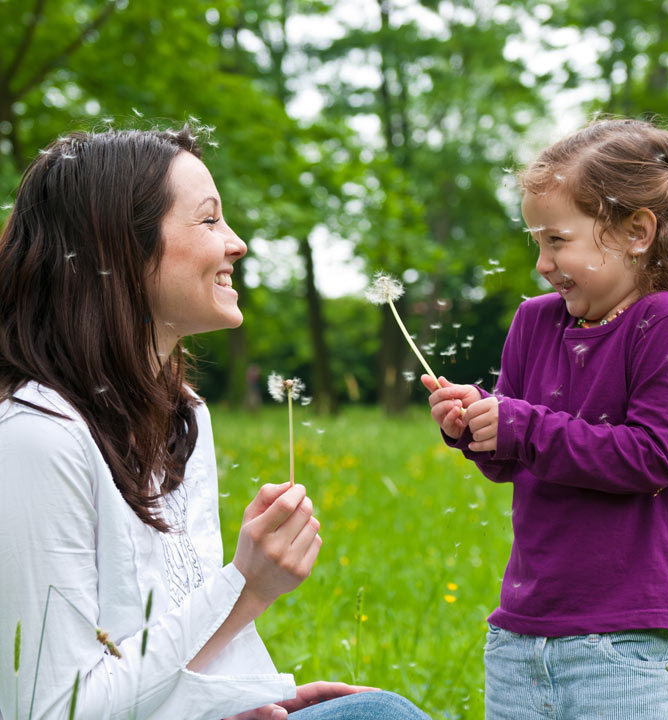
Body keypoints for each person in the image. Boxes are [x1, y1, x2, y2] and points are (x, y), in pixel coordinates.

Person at [0, 127, 429, 720]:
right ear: (119, 247)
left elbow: (167, 635)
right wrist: (246, 588)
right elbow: (53, 711)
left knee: (378, 711)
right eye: (208, 221)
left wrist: (250, 694)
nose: (237, 244)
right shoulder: (36, 437)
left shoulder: (182, 417)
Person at [422, 118, 668, 719]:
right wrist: (476, 425)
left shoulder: (667, 324)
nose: (542, 263)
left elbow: (651, 458)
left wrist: (518, 425)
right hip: (521, 633)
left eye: (557, 241)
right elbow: (514, 460)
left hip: (624, 637)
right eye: (537, 242)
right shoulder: (535, 322)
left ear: (636, 232)